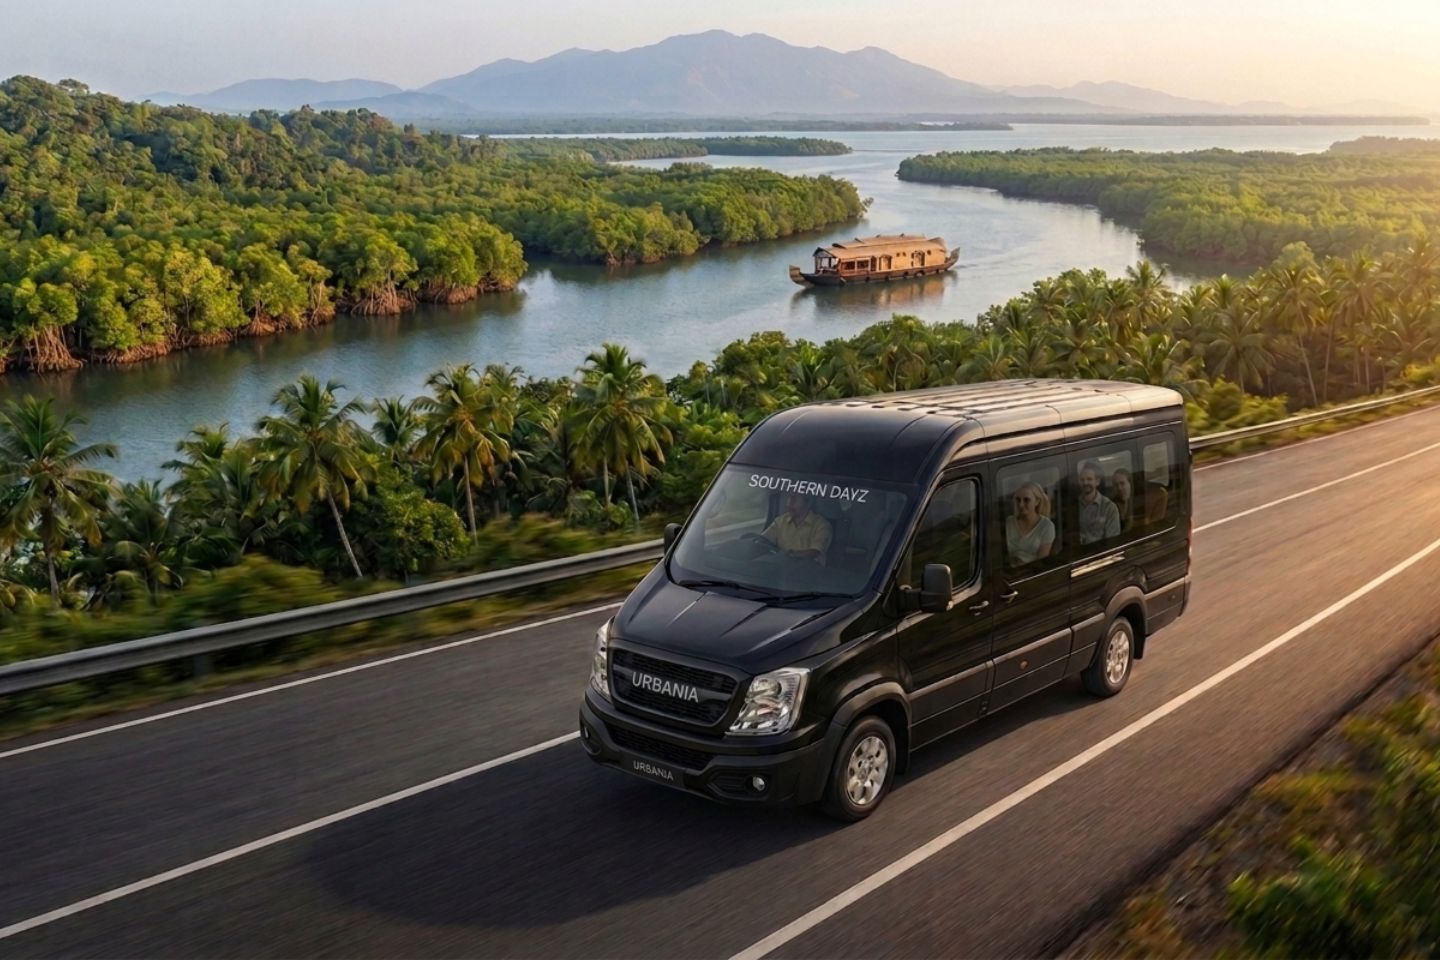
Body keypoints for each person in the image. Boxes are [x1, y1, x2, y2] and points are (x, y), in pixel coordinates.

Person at [761, 492, 833, 564]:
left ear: (808, 503)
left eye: (794, 499)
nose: (788, 504)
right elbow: (763, 540)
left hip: (808, 568)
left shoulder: (822, 525)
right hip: (781, 566)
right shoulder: (781, 521)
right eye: (789, 498)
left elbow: (815, 552)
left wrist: (788, 555)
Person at [1005, 481, 1055, 566]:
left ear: (1037, 501)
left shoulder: (1046, 526)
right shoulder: (1009, 522)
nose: (1021, 504)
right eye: (1018, 500)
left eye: (1026, 500)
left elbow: (1041, 562)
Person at [1077, 460, 1121, 545]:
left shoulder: (1110, 508)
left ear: (1097, 482)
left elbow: (1113, 541)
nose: (1085, 483)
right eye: (1082, 480)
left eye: (1089, 479)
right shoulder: (1074, 506)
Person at [1111, 467, 1134, 532]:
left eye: (1122, 483)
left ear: (1129, 484)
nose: (1119, 488)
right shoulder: (1110, 506)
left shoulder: (1139, 500)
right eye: (1116, 485)